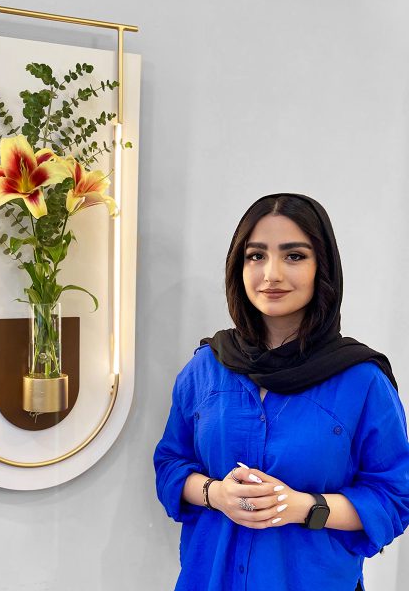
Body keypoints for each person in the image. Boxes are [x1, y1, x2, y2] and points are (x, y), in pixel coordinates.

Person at [153, 193, 409, 591]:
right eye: (256, 255)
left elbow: (394, 496)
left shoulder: (361, 381)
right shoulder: (206, 368)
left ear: (322, 267)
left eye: (294, 256)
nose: (271, 274)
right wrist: (215, 493)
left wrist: (303, 507)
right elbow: (170, 464)